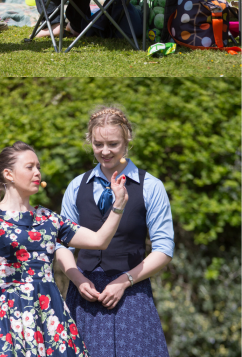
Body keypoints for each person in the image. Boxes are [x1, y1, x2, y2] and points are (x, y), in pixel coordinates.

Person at [0, 141, 128, 357]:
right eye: (29, 167)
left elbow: (99, 241)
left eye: (38, 166)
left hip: (49, 313)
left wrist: (119, 204)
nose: (37, 172)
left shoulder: (48, 218)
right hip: (7, 313)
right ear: (9, 174)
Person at [54, 106, 173, 357]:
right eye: (98, 144)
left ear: (127, 138)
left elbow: (164, 249)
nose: (105, 151)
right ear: (90, 141)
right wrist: (76, 278)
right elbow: (61, 244)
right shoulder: (76, 186)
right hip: (84, 297)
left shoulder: (151, 186)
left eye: (113, 143)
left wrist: (124, 282)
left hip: (131, 294)